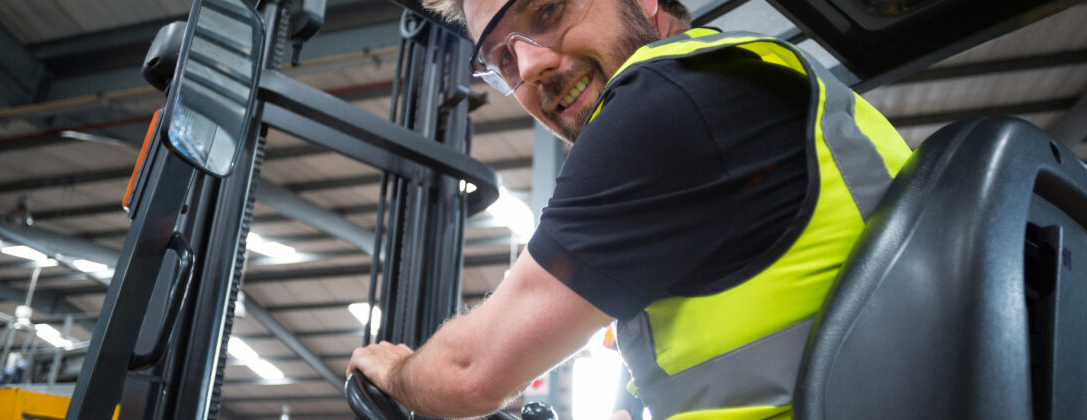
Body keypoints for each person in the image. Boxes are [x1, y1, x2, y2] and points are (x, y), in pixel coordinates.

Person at [346, 0, 913, 416]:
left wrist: (397, 371)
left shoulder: (670, 100)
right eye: (503, 60)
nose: (531, 67)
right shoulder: (737, 83)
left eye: (546, 12)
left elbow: (468, 374)